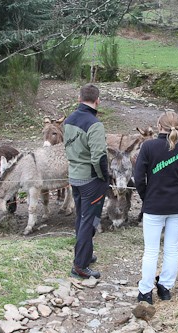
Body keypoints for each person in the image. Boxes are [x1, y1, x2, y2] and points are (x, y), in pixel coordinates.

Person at [134, 111, 178, 304]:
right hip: (177, 207)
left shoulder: (148, 147)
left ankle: (145, 292)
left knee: (151, 250)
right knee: (171, 248)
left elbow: (138, 179)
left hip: (154, 205)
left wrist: (147, 197)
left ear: (158, 126)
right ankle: (165, 288)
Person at [63, 84, 109, 279]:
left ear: (79, 99)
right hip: (90, 179)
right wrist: (104, 177)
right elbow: (99, 157)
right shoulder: (94, 124)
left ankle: (85, 254)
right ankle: (80, 266)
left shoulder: (68, 120)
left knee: (81, 217)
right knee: (88, 220)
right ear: (97, 101)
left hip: (74, 176)